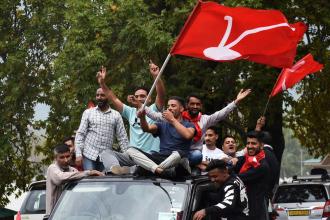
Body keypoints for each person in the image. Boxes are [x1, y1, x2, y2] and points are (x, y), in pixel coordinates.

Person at [145, 89, 251, 166]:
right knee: (151, 153)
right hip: (173, 152)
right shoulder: (175, 116)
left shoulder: (204, 119)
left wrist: (236, 102)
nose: (195, 107)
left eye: (198, 104)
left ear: (201, 106)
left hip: (190, 155)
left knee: (197, 155)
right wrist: (140, 106)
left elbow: (221, 114)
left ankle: (184, 163)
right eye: (192, 104)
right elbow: (153, 115)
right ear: (186, 106)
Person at [97, 61, 165, 153]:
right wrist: (102, 83)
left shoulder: (154, 109)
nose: (139, 98)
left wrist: (156, 76)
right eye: (136, 96)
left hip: (152, 155)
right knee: (108, 154)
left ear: (149, 99)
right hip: (134, 156)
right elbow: (113, 98)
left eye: (142, 96)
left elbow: (161, 94)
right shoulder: (130, 112)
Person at [126, 96, 196, 177]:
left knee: (179, 154)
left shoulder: (189, 125)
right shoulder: (162, 124)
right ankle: (159, 170)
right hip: (161, 158)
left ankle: (149, 169)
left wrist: (172, 120)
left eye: (173, 106)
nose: (169, 108)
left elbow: (188, 135)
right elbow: (146, 129)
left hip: (178, 160)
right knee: (130, 150)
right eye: (168, 106)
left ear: (181, 109)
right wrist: (142, 118)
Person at [74, 86, 129, 171]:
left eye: (102, 95)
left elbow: (122, 137)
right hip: (89, 154)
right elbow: (80, 134)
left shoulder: (116, 115)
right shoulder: (88, 112)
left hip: (106, 156)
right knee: (91, 181)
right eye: (97, 95)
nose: (99, 97)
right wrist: (78, 154)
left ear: (108, 97)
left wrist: (127, 157)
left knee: (106, 181)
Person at [46, 144, 103, 214]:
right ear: (55, 158)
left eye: (68, 156)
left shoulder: (74, 171)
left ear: (71, 155)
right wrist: (88, 172)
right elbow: (60, 178)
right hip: (54, 216)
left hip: (72, 215)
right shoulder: (52, 168)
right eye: (62, 157)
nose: (66, 160)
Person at [235, 131, 270, 220]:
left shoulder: (262, 166)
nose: (250, 146)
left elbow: (237, 179)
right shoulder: (245, 159)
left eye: (253, 143)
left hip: (255, 212)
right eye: (248, 143)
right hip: (242, 209)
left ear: (261, 145)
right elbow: (232, 165)